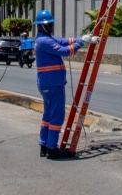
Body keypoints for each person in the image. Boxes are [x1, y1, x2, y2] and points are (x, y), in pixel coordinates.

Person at [33, 10, 84, 159]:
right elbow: (63, 51)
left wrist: (80, 39)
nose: (51, 27)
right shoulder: (45, 41)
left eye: (51, 24)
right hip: (53, 83)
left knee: (48, 114)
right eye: (49, 24)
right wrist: (80, 44)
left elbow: (62, 41)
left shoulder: (45, 38)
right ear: (42, 26)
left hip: (48, 83)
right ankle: (52, 148)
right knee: (56, 115)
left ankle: (44, 145)